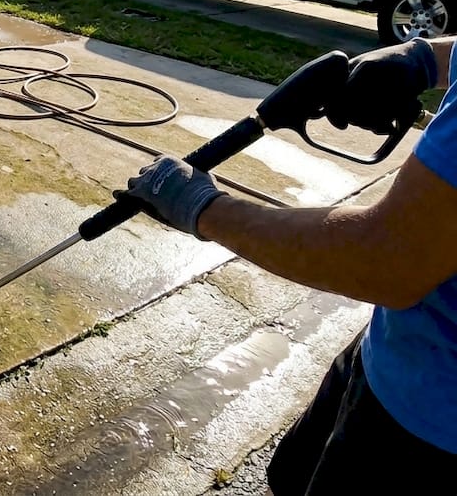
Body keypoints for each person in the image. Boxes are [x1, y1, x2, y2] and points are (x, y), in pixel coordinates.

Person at [123, 37, 457, 495]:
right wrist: (425, 57)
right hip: (401, 348)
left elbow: (387, 261)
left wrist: (202, 207)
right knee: (290, 475)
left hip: (431, 432)